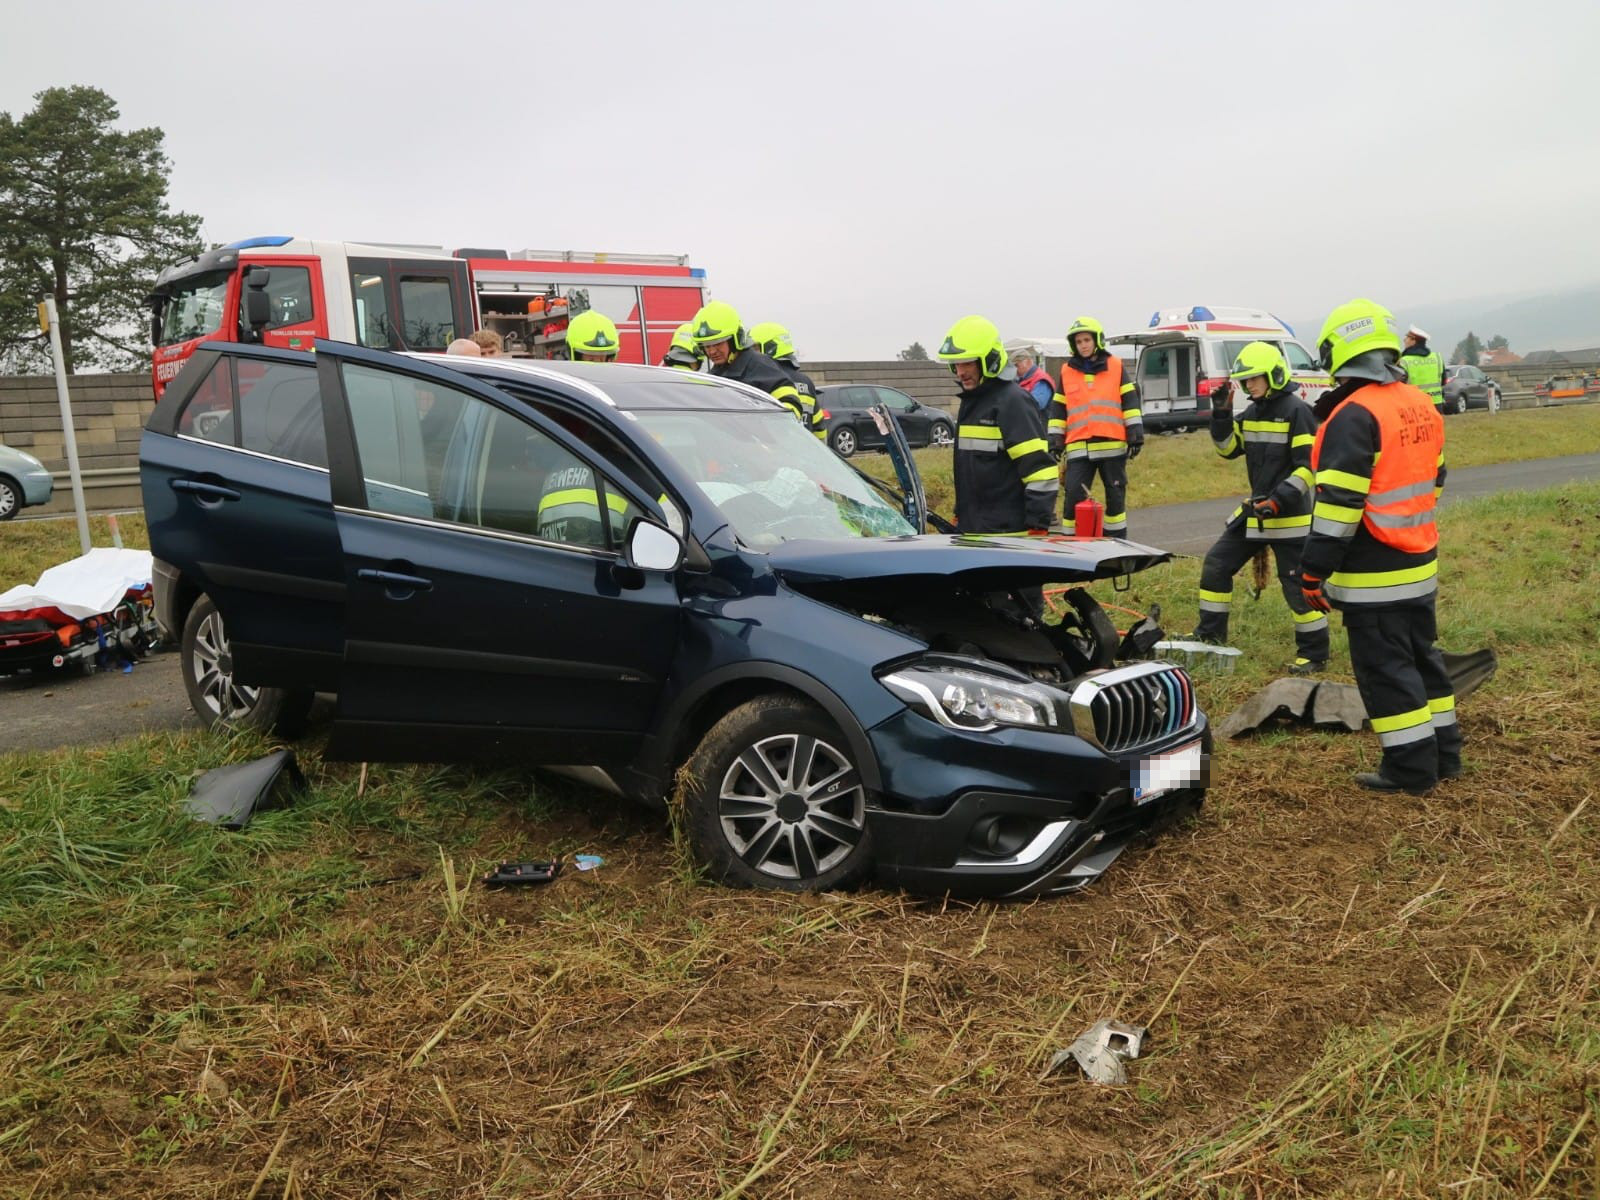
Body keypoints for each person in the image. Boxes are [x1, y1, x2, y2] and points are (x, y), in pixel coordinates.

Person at [1298, 298, 1460, 794]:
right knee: (1422, 658)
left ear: (1341, 349)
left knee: (1386, 670)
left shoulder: (1353, 413)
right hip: (1418, 557)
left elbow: (1339, 506)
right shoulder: (1417, 401)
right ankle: (1445, 754)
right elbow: (1434, 478)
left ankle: (1410, 769)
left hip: (1374, 571)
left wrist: (1312, 571)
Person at [1192, 342, 1329, 672]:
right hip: (1256, 515)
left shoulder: (1297, 412)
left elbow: (1307, 468)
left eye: (1253, 379)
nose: (1247, 386)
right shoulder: (1251, 413)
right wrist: (1222, 415)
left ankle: (1314, 656)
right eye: (1244, 380)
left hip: (1290, 517)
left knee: (1296, 586)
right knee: (1216, 565)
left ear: (1274, 375)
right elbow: (1227, 449)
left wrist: (1279, 500)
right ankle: (1210, 638)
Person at [937, 315, 1058, 534]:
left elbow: (1041, 471)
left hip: (1009, 536)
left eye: (967, 363)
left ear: (989, 360)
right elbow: (970, 470)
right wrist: (959, 512)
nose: (960, 371)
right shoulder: (971, 403)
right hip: (973, 531)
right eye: (956, 364)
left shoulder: (1013, 402)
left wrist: (1038, 525)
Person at [1048, 316, 1143, 537]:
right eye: (1079, 341)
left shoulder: (1116, 366)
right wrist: (1055, 441)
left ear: (1097, 340)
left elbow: (1130, 402)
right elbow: (1058, 410)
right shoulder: (1066, 371)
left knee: (1115, 496)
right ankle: (1072, 544)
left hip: (1112, 444)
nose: (1083, 345)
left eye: (1086, 340)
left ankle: (1117, 543)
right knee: (1072, 496)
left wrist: (1135, 435)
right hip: (1078, 446)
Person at [689, 301, 823, 437]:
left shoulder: (760, 365)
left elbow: (790, 405)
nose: (711, 351)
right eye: (706, 346)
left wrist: (767, 433)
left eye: (717, 343)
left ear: (734, 339)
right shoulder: (713, 375)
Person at [750, 322, 820, 414]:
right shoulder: (806, 382)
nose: (751, 354)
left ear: (771, 348)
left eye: (755, 348)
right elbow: (819, 426)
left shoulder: (765, 381)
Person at [1400, 325, 1445, 408]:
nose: (1404, 340)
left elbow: (1398, 386)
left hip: (1414, 406)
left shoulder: (1404, 361)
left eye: (1407, 337)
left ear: (1413, 341)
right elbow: (1443, 382)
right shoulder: (1437, 357)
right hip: (1436, 404)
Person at [1007, 342, 1056, 413]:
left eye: (1017, 365)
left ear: (1027, 362)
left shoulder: (1041, 380)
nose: (1015, 369)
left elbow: (1036, 405)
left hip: (1039, 423)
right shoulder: (1020, 380)